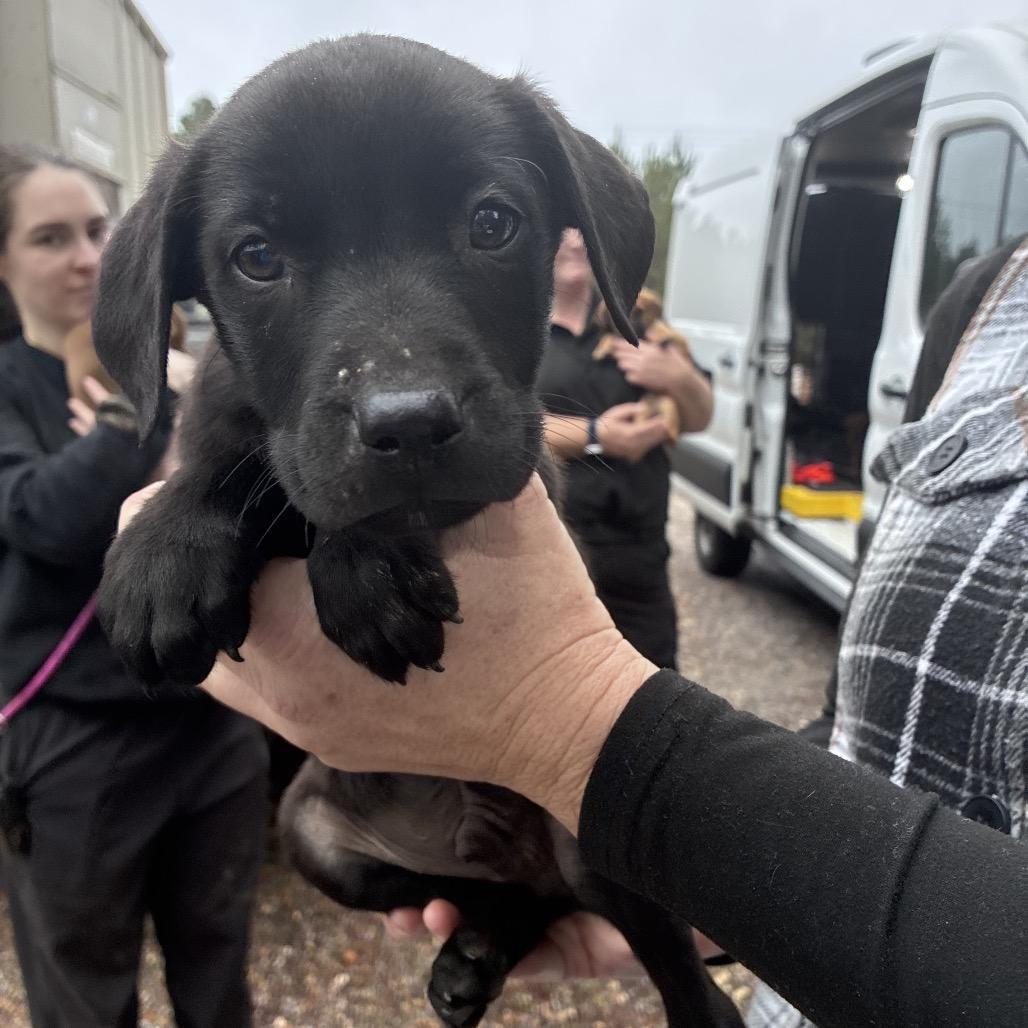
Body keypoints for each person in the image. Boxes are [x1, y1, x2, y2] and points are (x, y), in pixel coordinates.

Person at [120, 342, 1026, 1028]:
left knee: (591, 824)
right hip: (821, 929)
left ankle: (677, 988)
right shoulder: (980, 314)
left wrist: (581, 728)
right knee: (317, 834)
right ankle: (511, 914)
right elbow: (866, 725)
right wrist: (200, 506)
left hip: (605, 632)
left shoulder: (616, 338)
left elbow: (538, 482)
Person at [0, 145, 267, 1027]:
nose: (87, 256)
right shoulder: (11, 387)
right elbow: (41, 517)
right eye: (50, 238)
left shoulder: (187, 366)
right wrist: (134, 416)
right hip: (76, 744)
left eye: (96, 230)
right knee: (85, 994)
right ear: (3, 263)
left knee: (218, 973)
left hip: (210, 723)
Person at [538, 228, 713, 668]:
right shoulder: (516, 329)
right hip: (554, 549)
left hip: (640, 552)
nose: (575, 242)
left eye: (583, 230)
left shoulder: (635, 316)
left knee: (655, 685)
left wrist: (677, 378)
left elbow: (701, 416)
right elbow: (502, 427)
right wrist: (597, 434)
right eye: (562, 230)